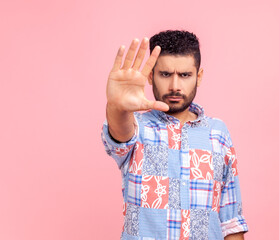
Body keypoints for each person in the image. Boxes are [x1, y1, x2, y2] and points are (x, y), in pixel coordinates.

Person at [101, 30, 249, 240]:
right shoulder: (137, 126)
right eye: (165, 74)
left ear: (198, 77)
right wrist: (117, 107)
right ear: (151, 76)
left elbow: (231, 222)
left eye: (185, 75)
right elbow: (119, 134)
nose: (175, 86)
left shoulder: (218, 133)